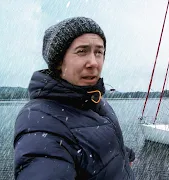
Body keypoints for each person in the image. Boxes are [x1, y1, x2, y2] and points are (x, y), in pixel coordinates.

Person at [13, 17, 135, 179]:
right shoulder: (39, 122)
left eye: (99, 52)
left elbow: (90, 144)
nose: (93, 62)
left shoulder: (95, 100)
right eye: (82, 51)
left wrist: (122, 155)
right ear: (58, 62)